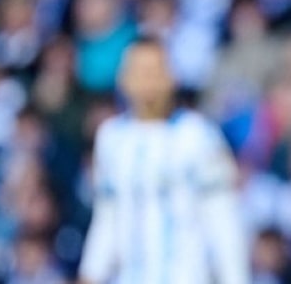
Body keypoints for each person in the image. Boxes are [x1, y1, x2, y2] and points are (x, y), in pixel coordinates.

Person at [78, 36, 249, 284]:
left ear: (172, 77)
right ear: (123, 79)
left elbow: (224, 222)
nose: (148, 82)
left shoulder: (198, 136)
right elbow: (107, 216)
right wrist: (90, 273)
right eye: (139, 72)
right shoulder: (110, 138)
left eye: (155, 71)